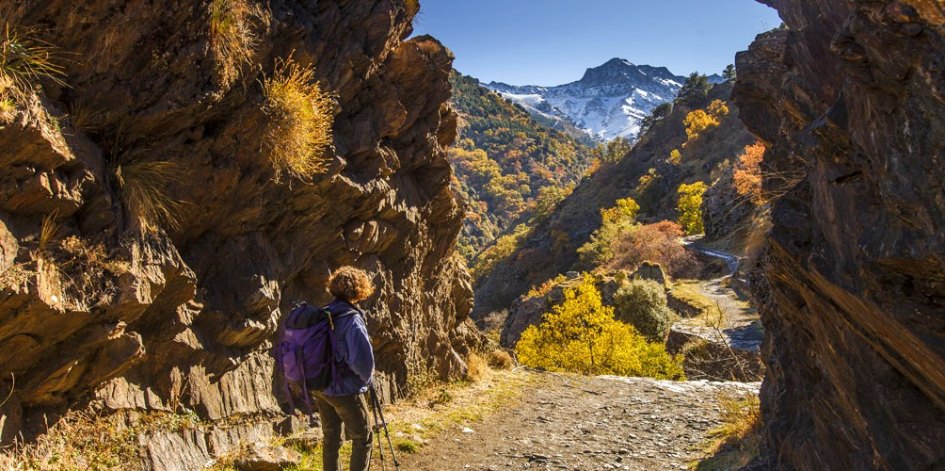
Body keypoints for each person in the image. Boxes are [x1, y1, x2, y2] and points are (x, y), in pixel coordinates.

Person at [314, 266, 376, 471]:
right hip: (343, 389)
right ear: (358, 290)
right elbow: (362, 362)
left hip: (319, 385)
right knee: (363, 436)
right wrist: (368, 381)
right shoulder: (351, 318)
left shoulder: (325, 314)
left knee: (331, 437)